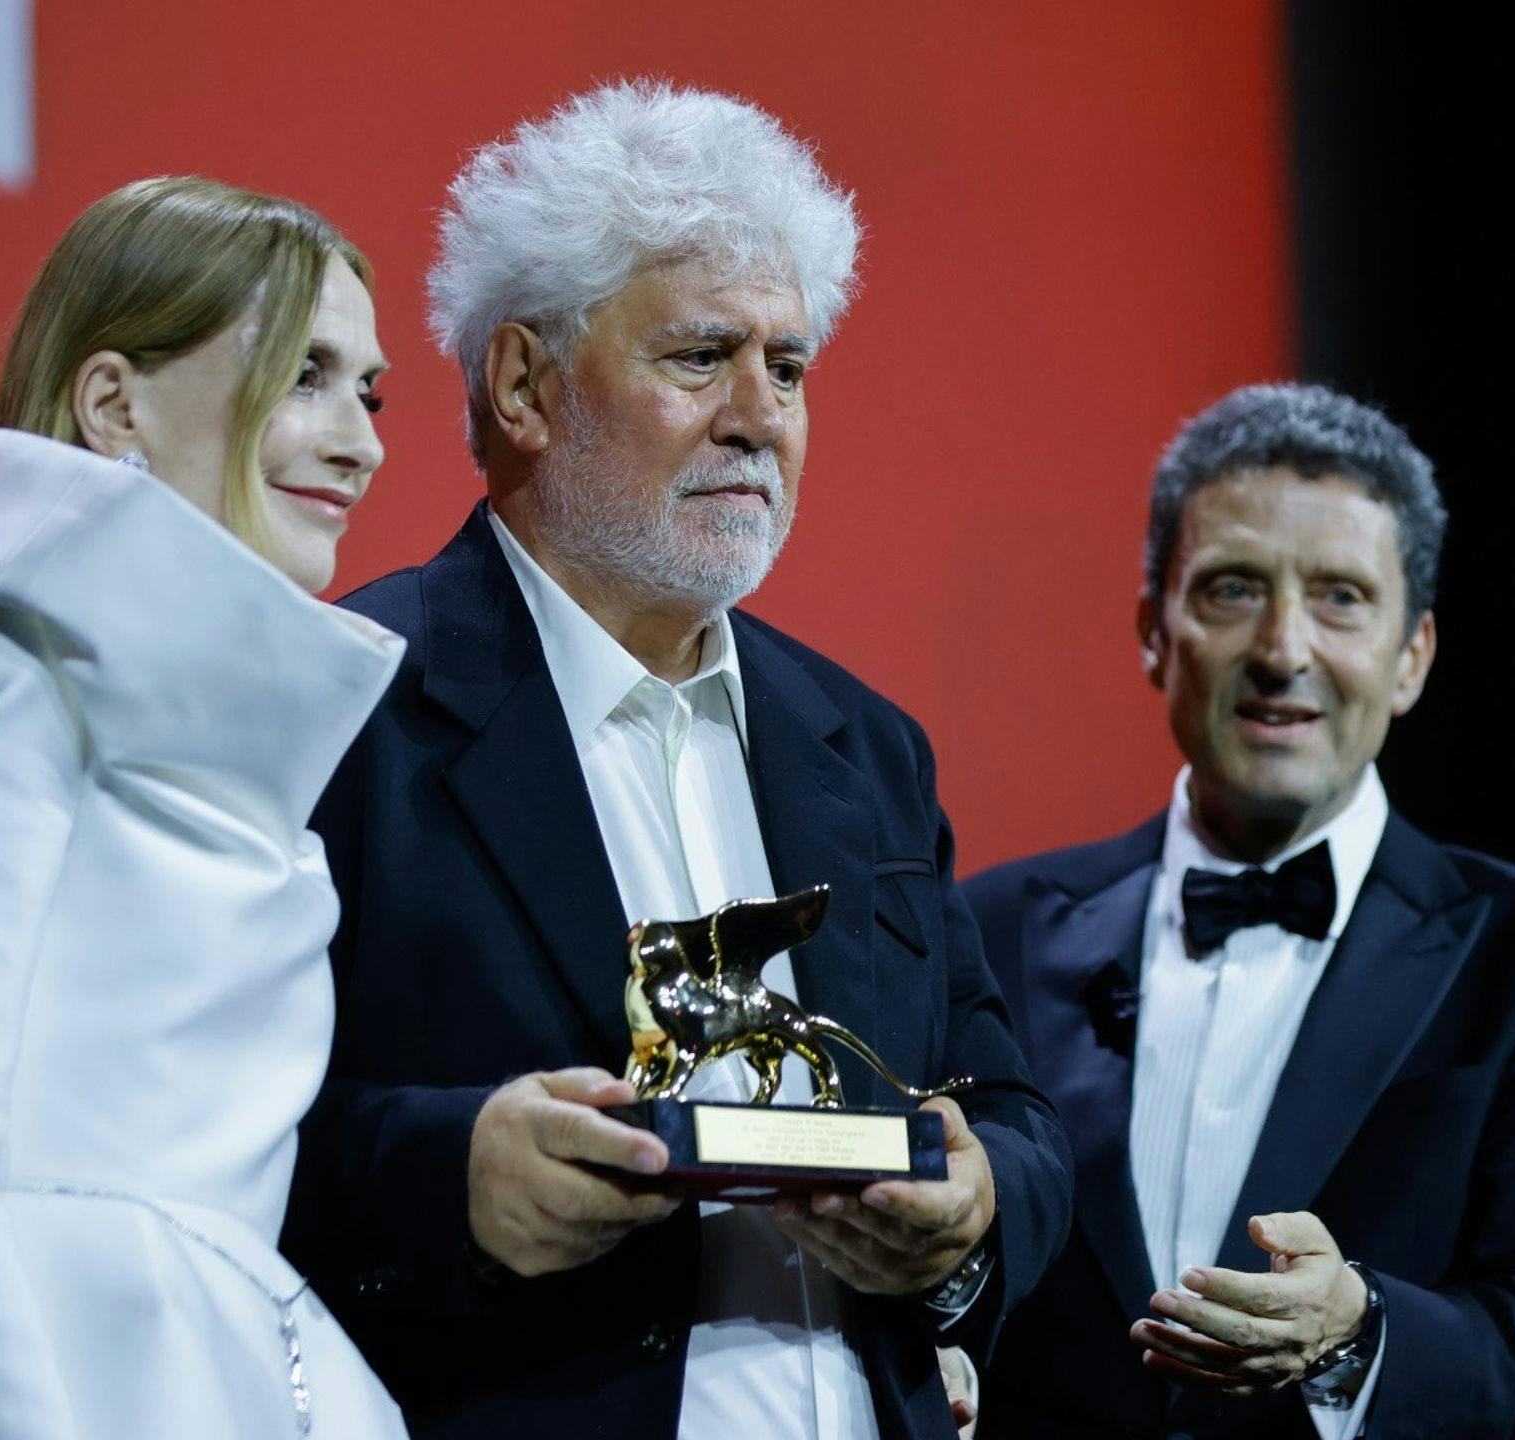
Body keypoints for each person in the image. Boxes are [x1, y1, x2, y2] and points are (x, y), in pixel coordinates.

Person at [278, 83, 1071, 1440]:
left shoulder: (868, 747)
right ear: (524, 385)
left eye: (791, 368)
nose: (760, 415)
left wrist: (978, 1205)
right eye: (703, 359)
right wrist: (447, 1179)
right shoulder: (337, 704)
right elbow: (188, 1147)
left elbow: (1012, 1118)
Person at [0, 176, 410, 1440]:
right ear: (115, 404)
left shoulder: (245, 748)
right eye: (304, 374)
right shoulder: (0, 662)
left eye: (368, 390)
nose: (362, 441)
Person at [963, 383, 1515, 1438]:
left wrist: (1358, 1334)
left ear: (1411, 654)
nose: (1284, 650)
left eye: (1339, 597)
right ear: (1154, 631)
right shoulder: (991, 930)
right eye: (1234, 589)